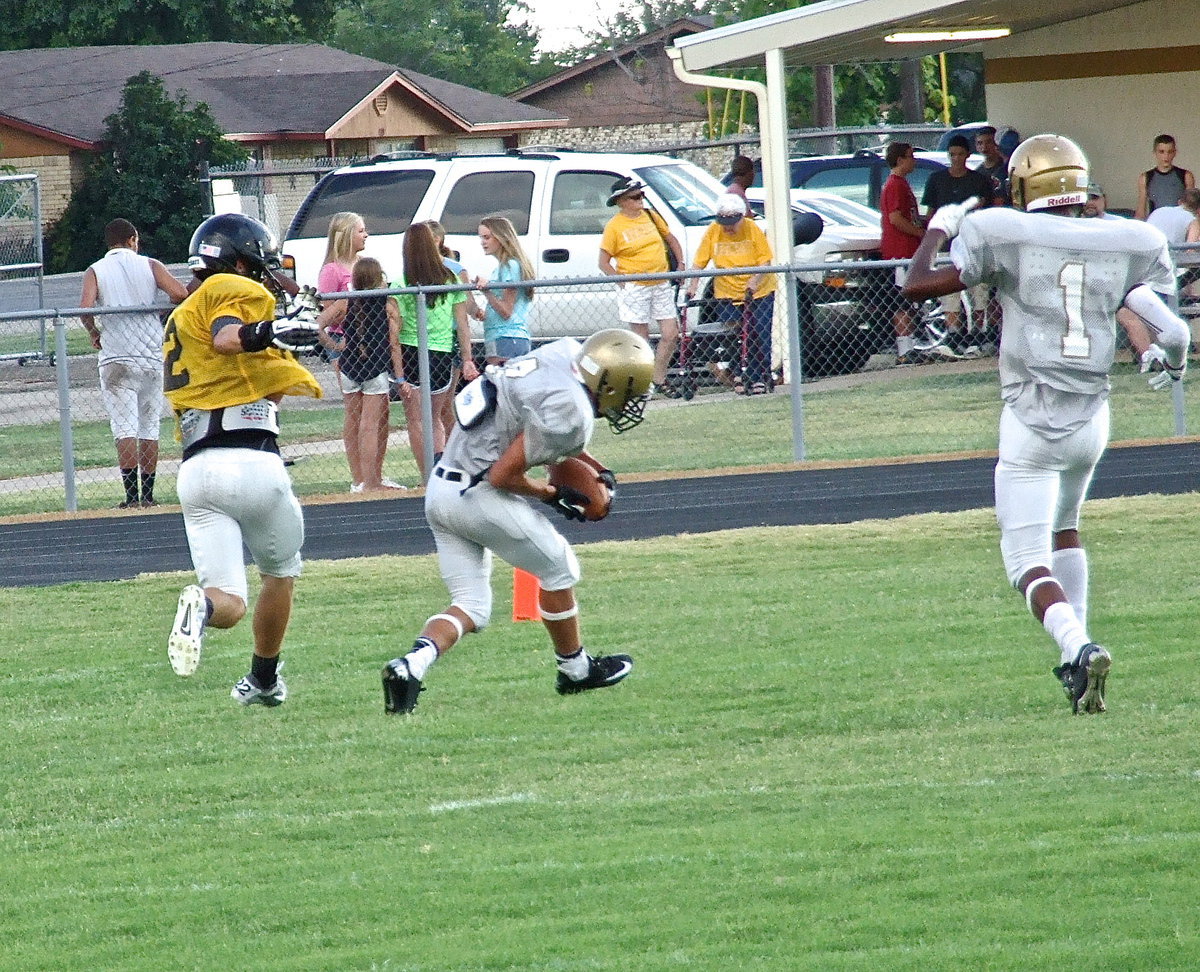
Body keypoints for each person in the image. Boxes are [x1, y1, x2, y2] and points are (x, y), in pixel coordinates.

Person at [902, 134, 1188, 715]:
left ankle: (1078, 646)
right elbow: (1169, 326)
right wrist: (1167, 358)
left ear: (1023, 185)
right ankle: (1079, 667)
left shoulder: (1008, 233)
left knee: (1026, 561)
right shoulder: (1125, 239)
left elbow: (914, 283)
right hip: (1093, 419)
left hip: (1032, 417)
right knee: (1067, 529)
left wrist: (940, 222)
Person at [381, 328, 655, 714]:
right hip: (476, 493)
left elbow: (538, 424)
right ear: (610, 384)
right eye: (632, 390)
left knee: (472, 606)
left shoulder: (564, 355)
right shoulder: (572, 413)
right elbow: (503, 476)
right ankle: (575, 670)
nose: (632, 401)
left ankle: (411, 665)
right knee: (560, 568)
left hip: (441, 489)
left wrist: (594, 466)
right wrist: (553, 495)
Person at [163, 213, 323, 706]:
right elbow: (228, 337)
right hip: (252, 462)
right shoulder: (233, 289)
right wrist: (268, 330)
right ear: (240, 261)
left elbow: (245, 367)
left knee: (227, 601)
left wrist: (278, 334)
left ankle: (201, 609)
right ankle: (264, 677)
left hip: (196, 472)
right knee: (281, 572)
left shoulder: (180, 314)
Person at [79, 218, 188, 508]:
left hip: (116, 355)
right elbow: (180, 294)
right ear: (132, 240)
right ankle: (148, 495)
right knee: (149, 424)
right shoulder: (150, 265)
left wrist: (94, 332)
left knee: (124, 425)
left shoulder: (96, 271)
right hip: (152, 354)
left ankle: (130, 496)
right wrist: (158, 314)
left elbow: (85, 308)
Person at [396, 222, 480, 478]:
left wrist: (468, 360)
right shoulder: (448, 279)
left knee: (417, 419)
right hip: (442, 354)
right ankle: (439, 473)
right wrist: (466, 358)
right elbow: (463, 324)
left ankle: (428, 475)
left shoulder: (401, 283)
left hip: (412, 351)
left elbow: (395, 329)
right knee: (434, 419)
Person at [315, 257, 405, 492]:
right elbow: (394, 344)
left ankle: (361, 480)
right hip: (375, 369)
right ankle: (371, 482)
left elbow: (319, 325)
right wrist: (401, 376)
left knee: (354, 420)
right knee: (369, 425)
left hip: (349, 368)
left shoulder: (346, 300)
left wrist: (336, 347)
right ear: (378, 278)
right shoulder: (387, 304)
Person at [599, 176, 683, 394]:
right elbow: (604, 262)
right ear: (622, 201)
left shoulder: (651, 216)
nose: (640, 200)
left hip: (661, 282)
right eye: (635, 197)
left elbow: (671, 239)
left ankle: (659, 377)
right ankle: (644, 384)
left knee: (671, 333)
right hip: (636, 286)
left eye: (641, 195)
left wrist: (680, 264)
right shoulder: (614, 227)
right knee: (641, 339)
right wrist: (623, 282)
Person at [685, 192, 775, 394]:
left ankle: (758, 376)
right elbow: (699, 261)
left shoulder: (753, 229)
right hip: (727, 293)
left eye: (732, 222)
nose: (728, 227)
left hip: (759, 291)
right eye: (724, 222)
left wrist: (753, 283)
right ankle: (738, 376)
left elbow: (765, 261)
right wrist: (693, 285)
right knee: (732, 337)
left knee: (758, 333)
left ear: (742, 217)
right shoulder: (713, 231)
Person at [922, 135, 996, 355]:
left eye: (960, 154)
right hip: (947, 245)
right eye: (952, 155)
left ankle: (980, 332)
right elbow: (931, 213)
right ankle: (953, 333)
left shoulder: (979, 180)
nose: (956, 159)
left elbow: (987, 212)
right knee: (949, 292)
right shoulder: (937, 179)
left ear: (967, 155)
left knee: (979, 290)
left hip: (973, 244)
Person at [880, 142, 929, 365]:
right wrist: (918, 232)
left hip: (908, 252)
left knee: (909, 300)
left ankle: (910, 346)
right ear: (900, 159)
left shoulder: (902, 184)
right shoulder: (894, 185)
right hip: (899, 253)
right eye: (910, 156)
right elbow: (895, 218)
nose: (914, 160)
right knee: (902, 300)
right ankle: (904, 349)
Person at [474, 215, 534, 365]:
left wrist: (487, 291)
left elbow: (506, 311)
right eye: (481, 238)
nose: (482, 242)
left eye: (487, 237)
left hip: (506, 337)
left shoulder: (510, 266)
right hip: (500, 336)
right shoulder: (501, 267)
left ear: (501, 238)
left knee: (503, 386)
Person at [1135, 134, 1195, 220]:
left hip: (1179, 225)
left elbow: (1191, 209)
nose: (1166, 156)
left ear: (1175, 153)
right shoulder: (1145, 177)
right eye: (1161, 152)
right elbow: (1141, 211)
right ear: (1155, 153)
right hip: (1156, 226)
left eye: (1169, 152)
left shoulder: (1186, 176)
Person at [974, 126, 1011, 207]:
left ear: (996, 143)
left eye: (989, 142)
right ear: (976, 147)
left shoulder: (1008, 166)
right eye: (980, 143)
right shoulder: (977, 174)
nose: (984, 147)